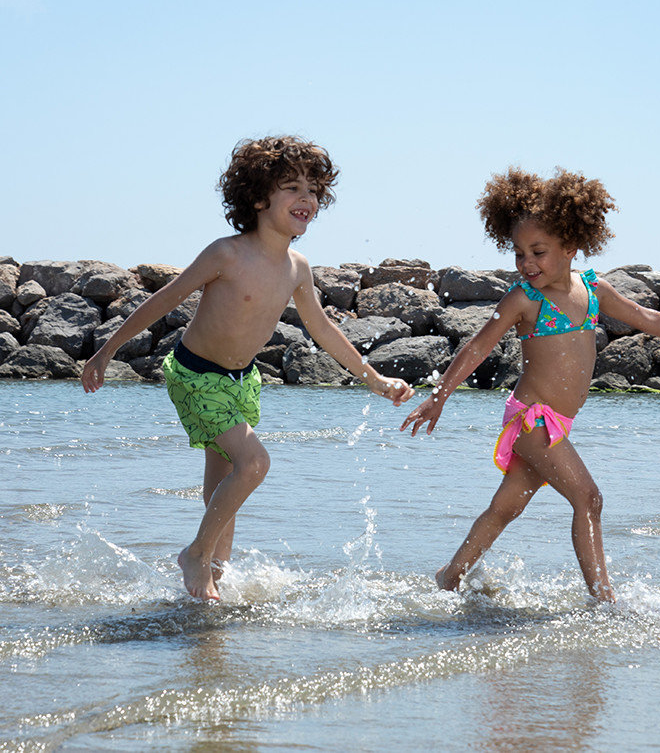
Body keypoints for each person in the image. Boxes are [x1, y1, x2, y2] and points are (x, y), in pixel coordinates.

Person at [82, 135, 415, 601]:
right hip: (196, 374)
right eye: (292, 188)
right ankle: (196, 555)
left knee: (224, 482)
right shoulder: (227, 253)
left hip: (243, 379)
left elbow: (322, 330)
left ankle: (214, 577)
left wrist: (374, 379)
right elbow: (165, 299)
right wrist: (106, 351)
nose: (307, 199)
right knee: (254, 463)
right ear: (259, 197)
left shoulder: (298, 267)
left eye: (314, 191)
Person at [401, 167, 660, 603]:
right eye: (519, 253)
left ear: (571, 245)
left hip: (557, 421)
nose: (527, 263)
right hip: (531, 417)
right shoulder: (524, 299)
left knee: (505, 509)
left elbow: (648, 318)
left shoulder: (593, 288)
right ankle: (605, 602)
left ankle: (449, 577)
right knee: (589, 498)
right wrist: (439, 397)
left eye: (538, 252)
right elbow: (477, 347)